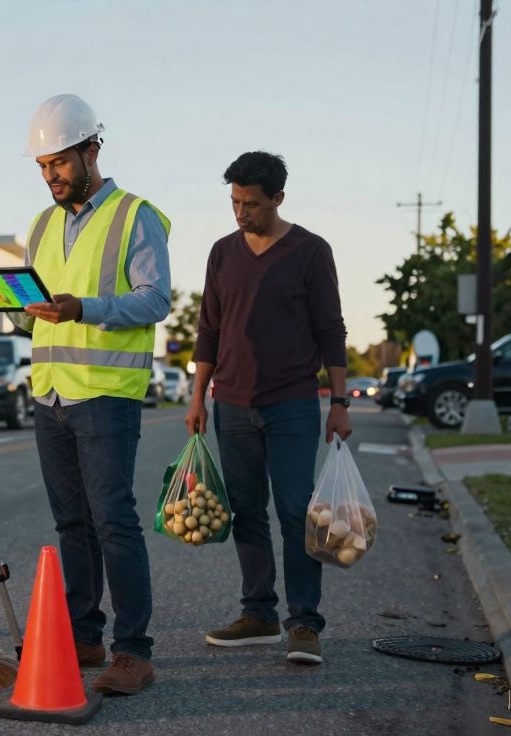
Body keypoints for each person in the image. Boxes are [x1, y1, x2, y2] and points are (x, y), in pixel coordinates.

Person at [10, 94, 172, 695]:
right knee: (71, 522)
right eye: (42, 166)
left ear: (91, 151)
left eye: (59, 163)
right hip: (50, 392)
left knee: (113, 521)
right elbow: (43, 310)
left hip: (106, 393)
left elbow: (156, 299)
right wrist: (21, 313)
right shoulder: (42, 225)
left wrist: (86, 309)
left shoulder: (137, 216)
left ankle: (135, 652)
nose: (51, 176)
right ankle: (84, 634)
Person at [185, 151, 351, 666]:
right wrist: (197, 397)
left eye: (251, 204)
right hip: (231, 404)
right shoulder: (221, 252)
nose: (240, 213)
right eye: (234, 202)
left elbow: (331, 330)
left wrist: (340, 402)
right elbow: (209, 328)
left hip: (292, 405)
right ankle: (258, 613)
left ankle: (303, 624)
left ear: (278, 198)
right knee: (246, 512)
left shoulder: (310, 251)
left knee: (296, 513)